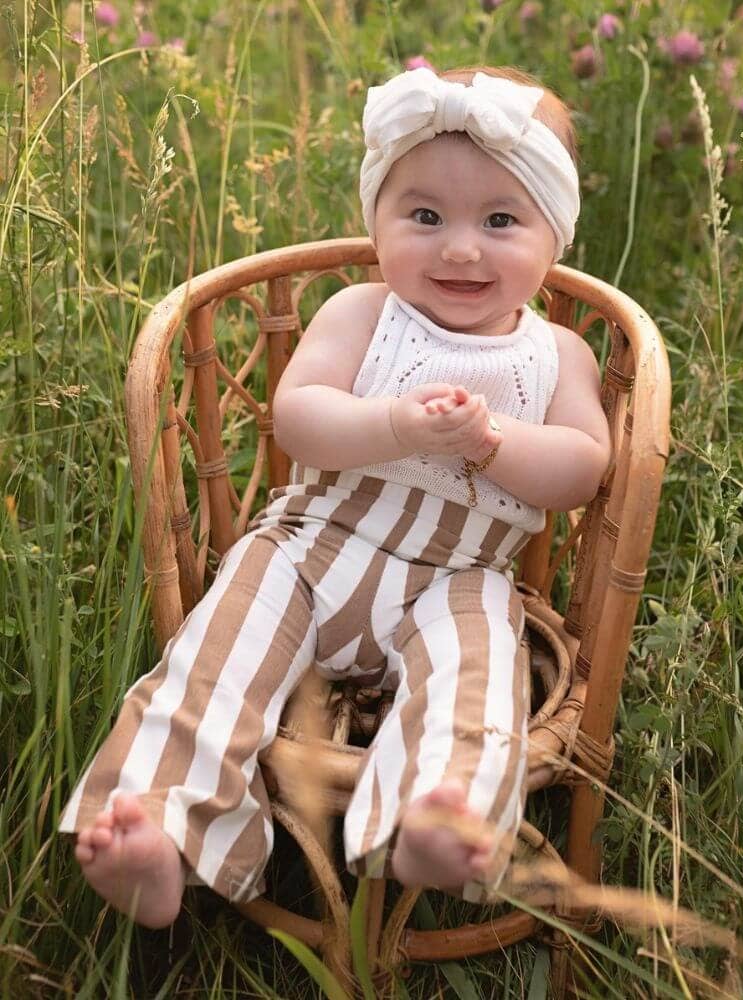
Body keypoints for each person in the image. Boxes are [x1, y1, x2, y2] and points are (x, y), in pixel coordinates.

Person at [60, 64, 611, 928]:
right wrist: (396, 424)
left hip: (454, 577)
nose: (460, 248)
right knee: (216, 656)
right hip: (312, 548)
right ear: (377, 220)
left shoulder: (557, 359)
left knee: (478, 671)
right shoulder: (362, 311)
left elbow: (582, 467)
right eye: (424, 216)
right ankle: (162, 824)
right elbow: (299, 420)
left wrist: (493, 439)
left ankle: (439, 807)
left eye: (500, 220)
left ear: (555, 235)